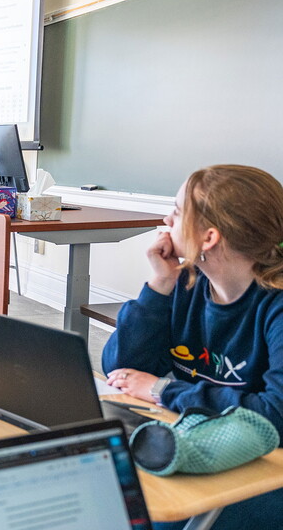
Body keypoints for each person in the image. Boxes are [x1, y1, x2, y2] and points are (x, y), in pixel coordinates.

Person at [102, 164, 283, 530]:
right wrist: (159, 284)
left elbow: (274, 415)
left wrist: (163, 390)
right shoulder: (185, 283)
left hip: (266, 467)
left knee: (145, 514)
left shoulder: (275, 305)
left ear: (209, 237)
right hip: (199, 435)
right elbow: (118, 368)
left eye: (178, 210)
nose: (167, 218)